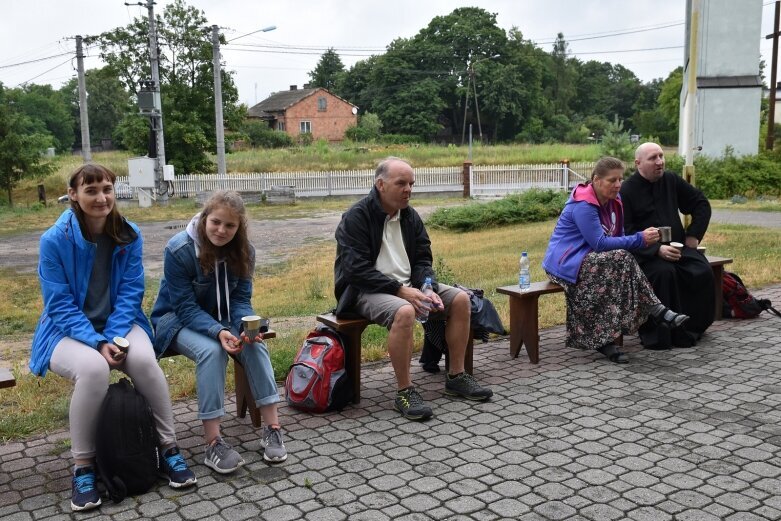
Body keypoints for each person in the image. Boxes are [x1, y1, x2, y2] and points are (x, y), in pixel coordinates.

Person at [30, 164, 196, 512]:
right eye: (91, 190)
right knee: (93, 370)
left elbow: (131, 293)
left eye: (106, 188)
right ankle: (84, 468)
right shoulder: (54, 240)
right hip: (65, 331)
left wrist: (115, 336)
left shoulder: (128, 234)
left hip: (119, 323)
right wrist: (96, 342)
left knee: (144, 359)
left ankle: (168, 450)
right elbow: (59, 304)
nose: (101, 197)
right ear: (73, 194)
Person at [334, 157, 493, 421]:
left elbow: (422, 258)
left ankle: (456, 376)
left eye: (411, 184)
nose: (408, 189)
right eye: (401, 183)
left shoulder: (410, 216)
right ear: (381, 185)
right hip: (365, 290)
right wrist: (400, 290)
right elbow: (355, 270)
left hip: (407, 286)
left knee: (461, 300)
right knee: (405, 312)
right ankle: (405, 391)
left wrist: (427, 287)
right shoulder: (356, 217)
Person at [151, 190, 286, 474]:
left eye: (230, 226)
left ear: (239, 228)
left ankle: (272, 428)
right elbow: (185, 308)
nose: (221, 230)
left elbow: (239, 301)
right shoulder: (179, 250)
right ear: (204, 219)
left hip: (220, 318)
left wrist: (246, 326)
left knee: (254, 343)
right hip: (175, 320)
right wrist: (218, 332)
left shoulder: (245, 251)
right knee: (212, 352)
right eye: (216, 222)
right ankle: (213, 443)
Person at [542, 157, 690, 363]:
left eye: (620, 179)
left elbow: (617, 238)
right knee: (621, 259)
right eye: (612, 180)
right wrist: (640, 238)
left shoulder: (615, 202)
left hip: (594, 261)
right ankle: (655, 309)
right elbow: (600, 244)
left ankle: (609, 341)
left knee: (619, 265)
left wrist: (638, 241)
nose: (618, 185)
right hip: (564, 264)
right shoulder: (583, 205)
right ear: (596, 180)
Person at [620, 142, 714, 349]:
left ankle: (691, 329)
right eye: (653, 158)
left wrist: (694, 235)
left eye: (661, 156)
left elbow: (701, 203)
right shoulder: (626, 190)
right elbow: (625, 231)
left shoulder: (671, 180)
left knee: (702, 270)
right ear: (638, 163)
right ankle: (659, 335)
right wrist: (656, 249)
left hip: (678, 247)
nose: (660, 162)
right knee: (664, 274)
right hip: (645, 254)